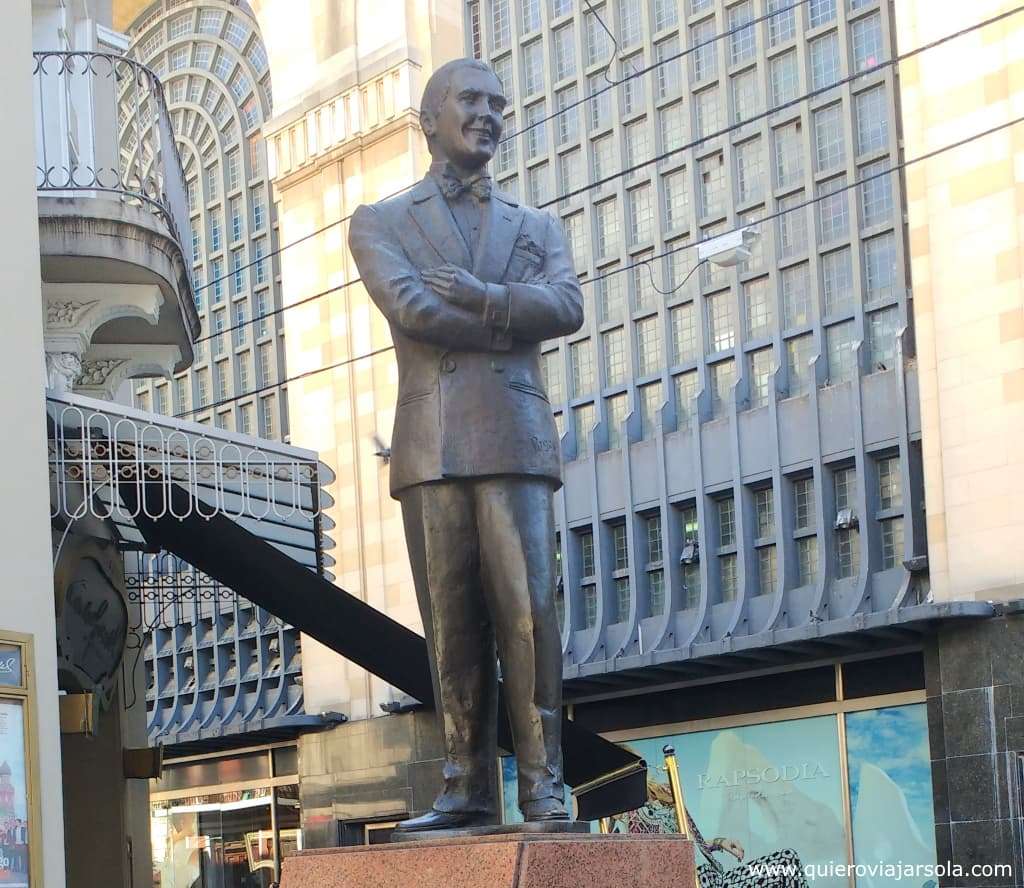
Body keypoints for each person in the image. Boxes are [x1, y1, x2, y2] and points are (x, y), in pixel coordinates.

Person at [348, 57, 584, 833]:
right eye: (471, 101)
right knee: (450, 625)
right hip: (433, 443)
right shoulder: (380, 221)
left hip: (514, 437)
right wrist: (512, 318)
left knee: (529, 614)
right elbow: (412, 308)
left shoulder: (538, 226)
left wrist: (484, 297)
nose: (488, 114)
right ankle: (465, 784)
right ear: (430, 118)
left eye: (498, 104)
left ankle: (545, 782)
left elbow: (566, 306)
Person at [615, 781, 809, 888]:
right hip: (696, 881)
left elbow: (689, 844)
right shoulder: (623, 814)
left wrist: (719, 842)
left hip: (714, 876)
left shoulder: (665, 791)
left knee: (787, 862)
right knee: (787, 861)